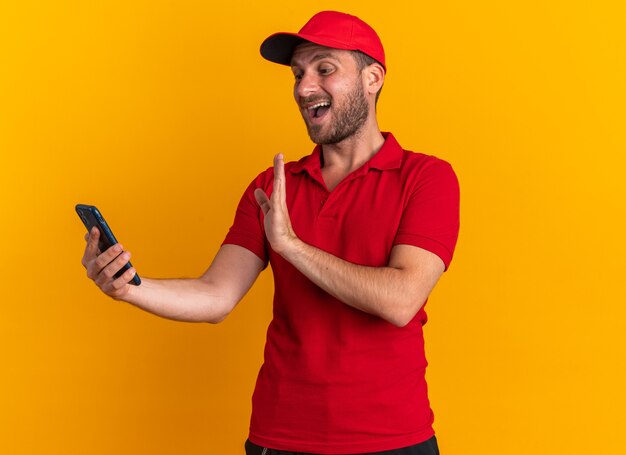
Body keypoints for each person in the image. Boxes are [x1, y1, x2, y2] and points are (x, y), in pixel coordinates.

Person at [81, 10, 459, 455]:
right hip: (280, 438)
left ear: (372, 78)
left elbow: (400, 300)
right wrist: (130, 289)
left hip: (393, 440)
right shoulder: (272, 187)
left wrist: (291, 246)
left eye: (324, 69)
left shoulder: (426, 178)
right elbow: (216, 296)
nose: (303, 87)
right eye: (298, 74)